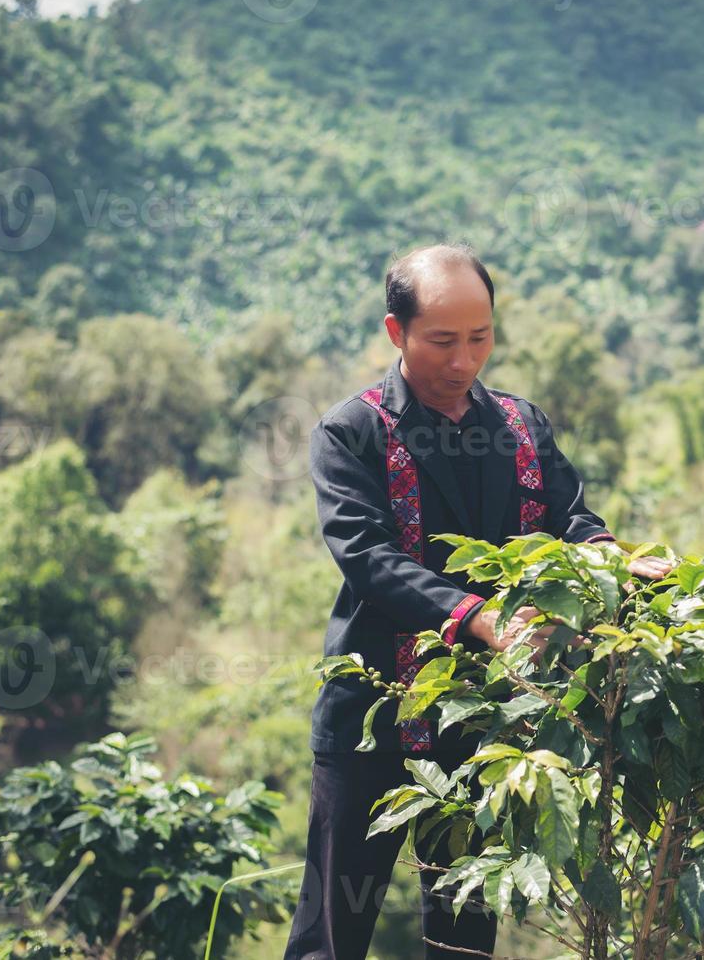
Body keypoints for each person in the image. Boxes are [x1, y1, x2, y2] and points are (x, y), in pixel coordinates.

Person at [283, 243, 667, 960]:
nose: (464, 361)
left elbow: (574, 524)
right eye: (442, 341)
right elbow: (368, 560)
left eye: (480, 338)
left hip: (485, 721)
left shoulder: (522, 425)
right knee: (332, 928)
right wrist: (480, 618)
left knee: (462, 932)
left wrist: (622, 564)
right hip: (373, 720)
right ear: (396, 332)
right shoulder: (352, 431)